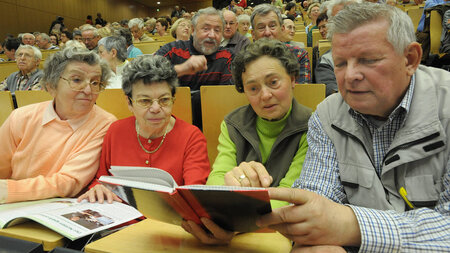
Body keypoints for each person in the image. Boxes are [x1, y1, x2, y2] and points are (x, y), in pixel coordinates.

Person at [257, 3, 450, 252]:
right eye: (340, 63)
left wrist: (353, 226)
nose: (349, 76)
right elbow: (316, 202)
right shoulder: (326, 116)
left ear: (410, 59)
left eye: (368, 60)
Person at [183, 38, 312, 245]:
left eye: (273, 82)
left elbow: (291, 195)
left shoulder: (311, 126)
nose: (265, 95)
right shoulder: (233, 123)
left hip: (283, 234)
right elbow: (217, 180)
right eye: (253, 88)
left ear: (293, 79)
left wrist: (236, 220)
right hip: (240, 234)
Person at [77, 55, 210, 203]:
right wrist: (97, 188)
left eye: (164, 100)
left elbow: (195, 194)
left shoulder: (191, 137)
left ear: (173, 99)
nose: (155, 108)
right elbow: (101, 178)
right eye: (145, 101)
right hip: (120, 219)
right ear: (129, 103)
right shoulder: (116, 131)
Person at [0, 46, 116, 204]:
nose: (89, 90)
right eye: (77, 80)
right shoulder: (20, 117)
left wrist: (10, 191)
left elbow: (68, 182)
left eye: (95, 82)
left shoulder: (105, 124)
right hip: (11, 206)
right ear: (51, 86)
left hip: (63, 208)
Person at [155, 7, 233, 129]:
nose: (212, 35)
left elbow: (227, 96)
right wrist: (182, 69)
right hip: (169, 123)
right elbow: (144, 75)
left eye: (217, 30)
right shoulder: (172, 50)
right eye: (206, 29)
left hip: (213, 124)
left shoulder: (227, 56)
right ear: (192, 30)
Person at [251, 4, 311, 84]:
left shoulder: (299, 55)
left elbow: (303, 90)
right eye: (261, 27)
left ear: (282, 29)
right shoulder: (244, 59)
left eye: (272, 26)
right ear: (253, 34)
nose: (267, 32)